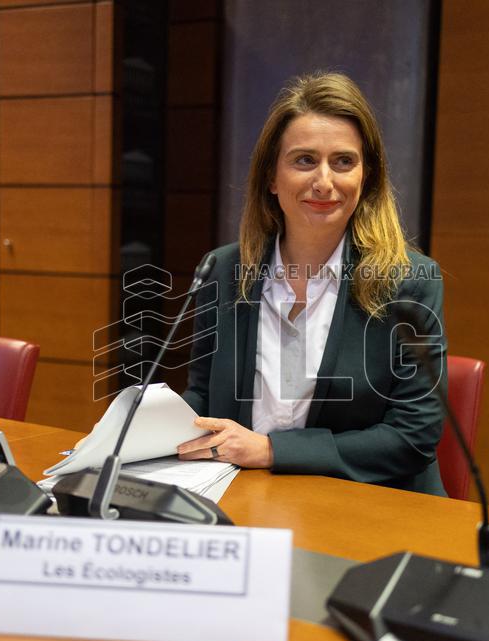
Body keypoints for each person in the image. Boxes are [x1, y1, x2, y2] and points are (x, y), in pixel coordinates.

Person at [177, 72, 447, 495]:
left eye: (343, 162)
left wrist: (272, 450)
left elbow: (414, 436)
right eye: (304, 160)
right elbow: (202, 397)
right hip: (246, 494)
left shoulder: (410, 282)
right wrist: (136, 433)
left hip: (370, 504)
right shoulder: (224, 270)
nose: (324, 182)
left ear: (366, 177)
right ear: (271, 177)